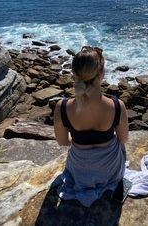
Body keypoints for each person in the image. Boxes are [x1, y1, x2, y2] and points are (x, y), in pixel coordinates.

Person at [54, 46, 128, 207]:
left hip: (80, 170)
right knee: (120, 146)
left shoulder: (62, 106)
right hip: (110, 171)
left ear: (74, 74)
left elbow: (63, 142)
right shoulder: (116, 105)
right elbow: (123, 139)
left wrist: (77, 137)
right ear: (100, 74)